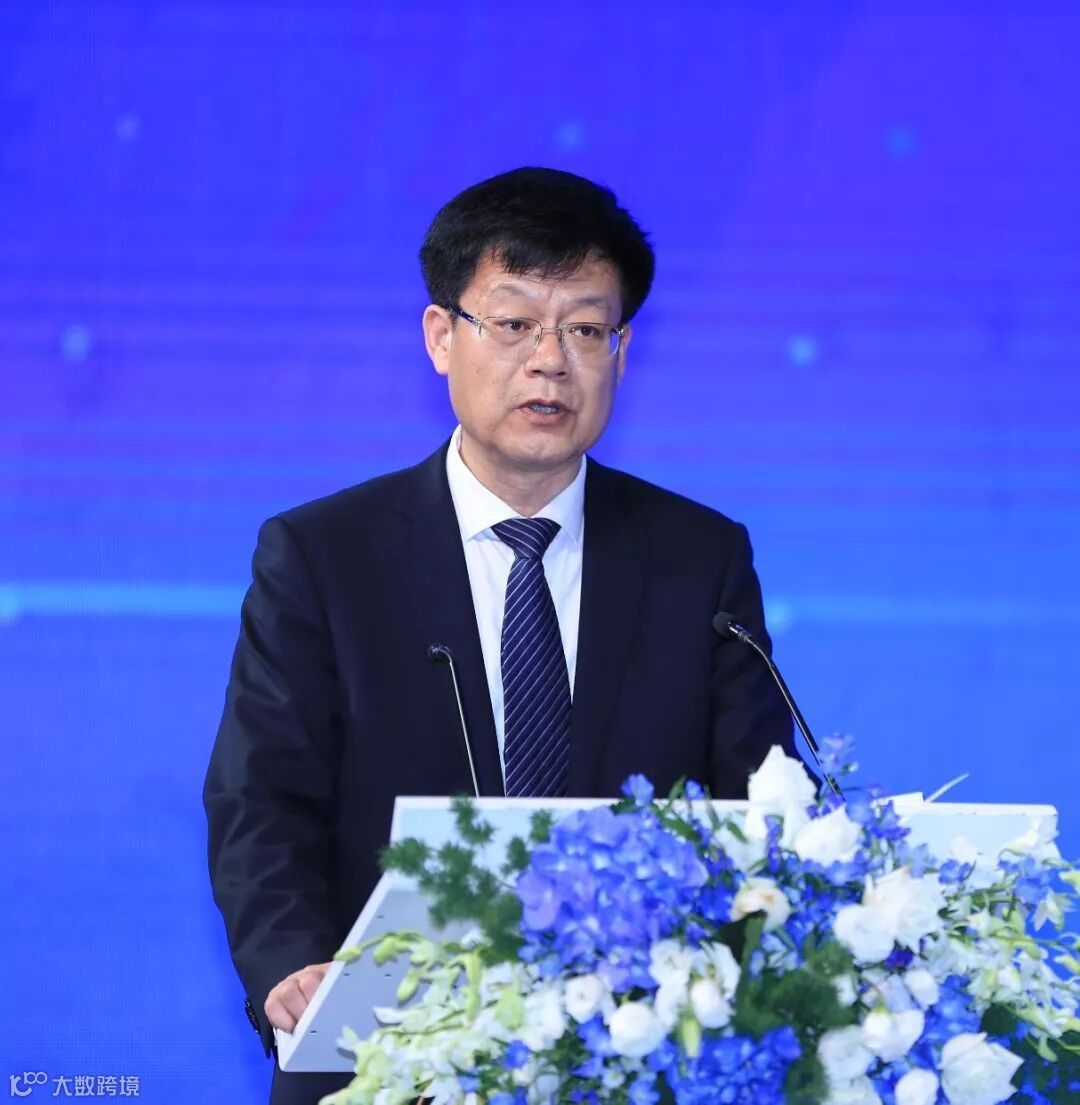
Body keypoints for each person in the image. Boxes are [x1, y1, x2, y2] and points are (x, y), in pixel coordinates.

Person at [203, 166, 795, 1105]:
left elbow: (761, 806)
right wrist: (292, 965)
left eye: (586, 329)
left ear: (622, 351)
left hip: (638, 1060)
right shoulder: (324, 555)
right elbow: (261, 798)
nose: (550, 361)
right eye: (514, 323)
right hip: (391, 1058)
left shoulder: (700, 558)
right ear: (441, 336)